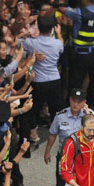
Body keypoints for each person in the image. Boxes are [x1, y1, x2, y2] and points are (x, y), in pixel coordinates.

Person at [46, 89, 94, 186]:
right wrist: (47, 151)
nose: (76, 104)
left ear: (84, 103)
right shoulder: (60, 116)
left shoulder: (89, 115)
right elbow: (52, 134)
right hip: (64, 159)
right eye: (73, 100)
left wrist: (87, 114)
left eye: (79, 101)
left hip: (82, 160)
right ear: (69, 100)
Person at [60, 0, 94, 128]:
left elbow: (61, 8)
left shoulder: (79, 13)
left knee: (75, 86)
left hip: (80, 55)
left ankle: (72, 117)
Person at [22, 15, 65, 143]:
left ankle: (30, 134)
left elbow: (21, 43)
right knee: (56, 108)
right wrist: (59, 34)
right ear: (52, 29)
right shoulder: (57, 43)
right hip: (54, 79)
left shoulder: (31, 42)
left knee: (33, 109)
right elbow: (62, 47)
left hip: (38, 81)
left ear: (38, 28)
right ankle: (59, 131)